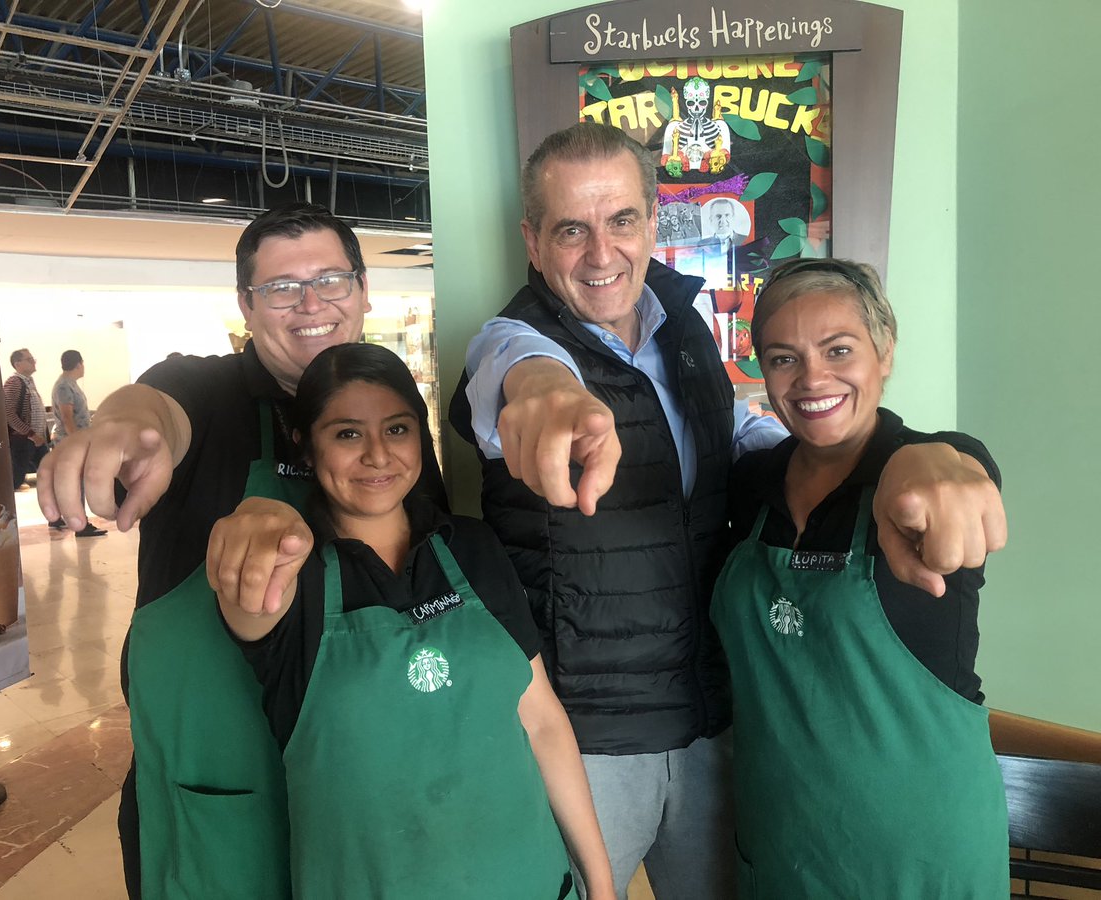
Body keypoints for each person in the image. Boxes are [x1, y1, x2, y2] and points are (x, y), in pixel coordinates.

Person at [448, 122, 1007, 899]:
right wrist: (543, 388)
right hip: (592, 736)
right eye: (571, 229)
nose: (601, 253)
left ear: (652, 220)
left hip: (718, 725)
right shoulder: (513, 342)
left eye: (621, 222)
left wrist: (937, 449)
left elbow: (737, 435)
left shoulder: (684, 334)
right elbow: (510, 369)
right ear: (534, 243)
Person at [37, 202, 417, 898]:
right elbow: (154, 410)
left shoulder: (389, 422)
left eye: (331, 279)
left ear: (364, 290)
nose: (310, 303)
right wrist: (126, 429)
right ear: (247, 303)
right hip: (218, 794)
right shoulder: (208, 392)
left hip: (363, 787)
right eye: (280, 287)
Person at [212, 342, 614, 899]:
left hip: (530, 878)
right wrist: (254, 521)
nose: (378, 456)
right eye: (347, 434)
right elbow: (244, 599)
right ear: (306, 446)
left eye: (397, 430)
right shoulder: (286, 573)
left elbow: (541, 718)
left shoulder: (470, 545)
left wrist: (600, 879)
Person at [710, 258, 1010, 897]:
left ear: (885, 352)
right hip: (782, 841)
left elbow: (952, 473)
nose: (812, 377)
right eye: (783, 358)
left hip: (916, 853)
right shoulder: (750, 487)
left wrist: (939, 458)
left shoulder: (917, 476)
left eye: (838, 349)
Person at [47, 350, 106, 537]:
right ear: (79, 364)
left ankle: (59, 517)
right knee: (75, 484)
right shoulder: (64, 386)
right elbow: (67, 416)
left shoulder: (69, 384)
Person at [3, 348, 47, 490]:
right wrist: (31, 434)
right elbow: (8, 413)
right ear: (17, 364)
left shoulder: (29, 382)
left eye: (33, 359)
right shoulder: (14, 383)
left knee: (48, 471)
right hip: (23, 441)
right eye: (29, 360)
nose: (33, 362)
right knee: (15, 479)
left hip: (36, 440)